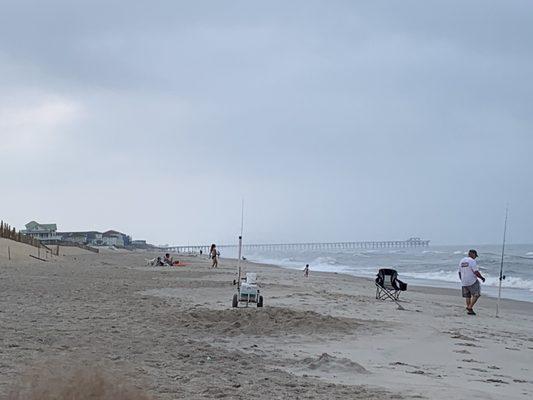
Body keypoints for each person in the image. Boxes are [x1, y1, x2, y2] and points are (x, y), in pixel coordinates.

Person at [458, 249, 486, 315]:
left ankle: (469, 309)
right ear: (473, 254)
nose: (475, 257)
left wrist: (461, 279)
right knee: (477, 294)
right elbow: (476, 272)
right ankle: (470, 307)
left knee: (468, 296)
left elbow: (459, 272)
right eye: (475, 256)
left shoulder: (462, 261)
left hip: (464, 281)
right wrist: (482, 278)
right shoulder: (472, 261)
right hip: (472, 281)